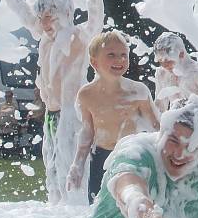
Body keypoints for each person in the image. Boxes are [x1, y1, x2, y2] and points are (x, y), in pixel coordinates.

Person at [0, 0, 111, 205]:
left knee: (73, 172)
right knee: (53, 170)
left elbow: (95, 24)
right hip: (52, 116)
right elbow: (22, 10)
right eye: (42, 15)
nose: (45, 20)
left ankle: (77, 213)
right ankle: (57, 215)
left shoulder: (77, 37)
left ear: (66, 13)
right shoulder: (44, 37)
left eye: (52, 14)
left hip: (73, 115)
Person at [79, 95, 198, 218]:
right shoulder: (137, 153)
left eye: (192, 146)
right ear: (162, 133)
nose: (179, 154)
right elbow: (131, 192)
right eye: (173, 141)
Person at [67, 30, 159, 204]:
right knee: (98, 206)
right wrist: (77, 165)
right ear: (94, 62)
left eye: (124, 55)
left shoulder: (137, 91)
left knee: (132, 203)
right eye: (111, 55)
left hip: (131, 156)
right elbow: (87, 132)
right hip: (101, 156)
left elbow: (156, 127)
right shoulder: (87, 94)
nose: (120, 60)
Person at [153, 32, 198, 144]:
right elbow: (159, 106)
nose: (165, 65)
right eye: (160, 61)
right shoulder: (162, 74)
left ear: (181, 54)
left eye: (168, 61)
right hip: (176, 132)